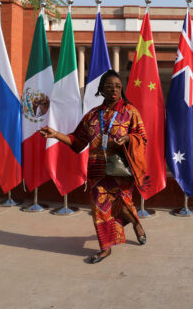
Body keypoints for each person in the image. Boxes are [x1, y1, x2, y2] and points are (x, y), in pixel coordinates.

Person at [40, 70, 148, 264]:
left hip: (121, 170)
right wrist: (55, 134)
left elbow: (142, 137)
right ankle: (105, 248)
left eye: (117, 86)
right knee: (101, 207)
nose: (114, 90)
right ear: (101, 90)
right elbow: (77, 140)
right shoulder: (92, 115)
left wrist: (128, 138)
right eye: (109, 86)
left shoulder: (130, 111)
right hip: (97, 171)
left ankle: (136, 224)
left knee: (123, 205)